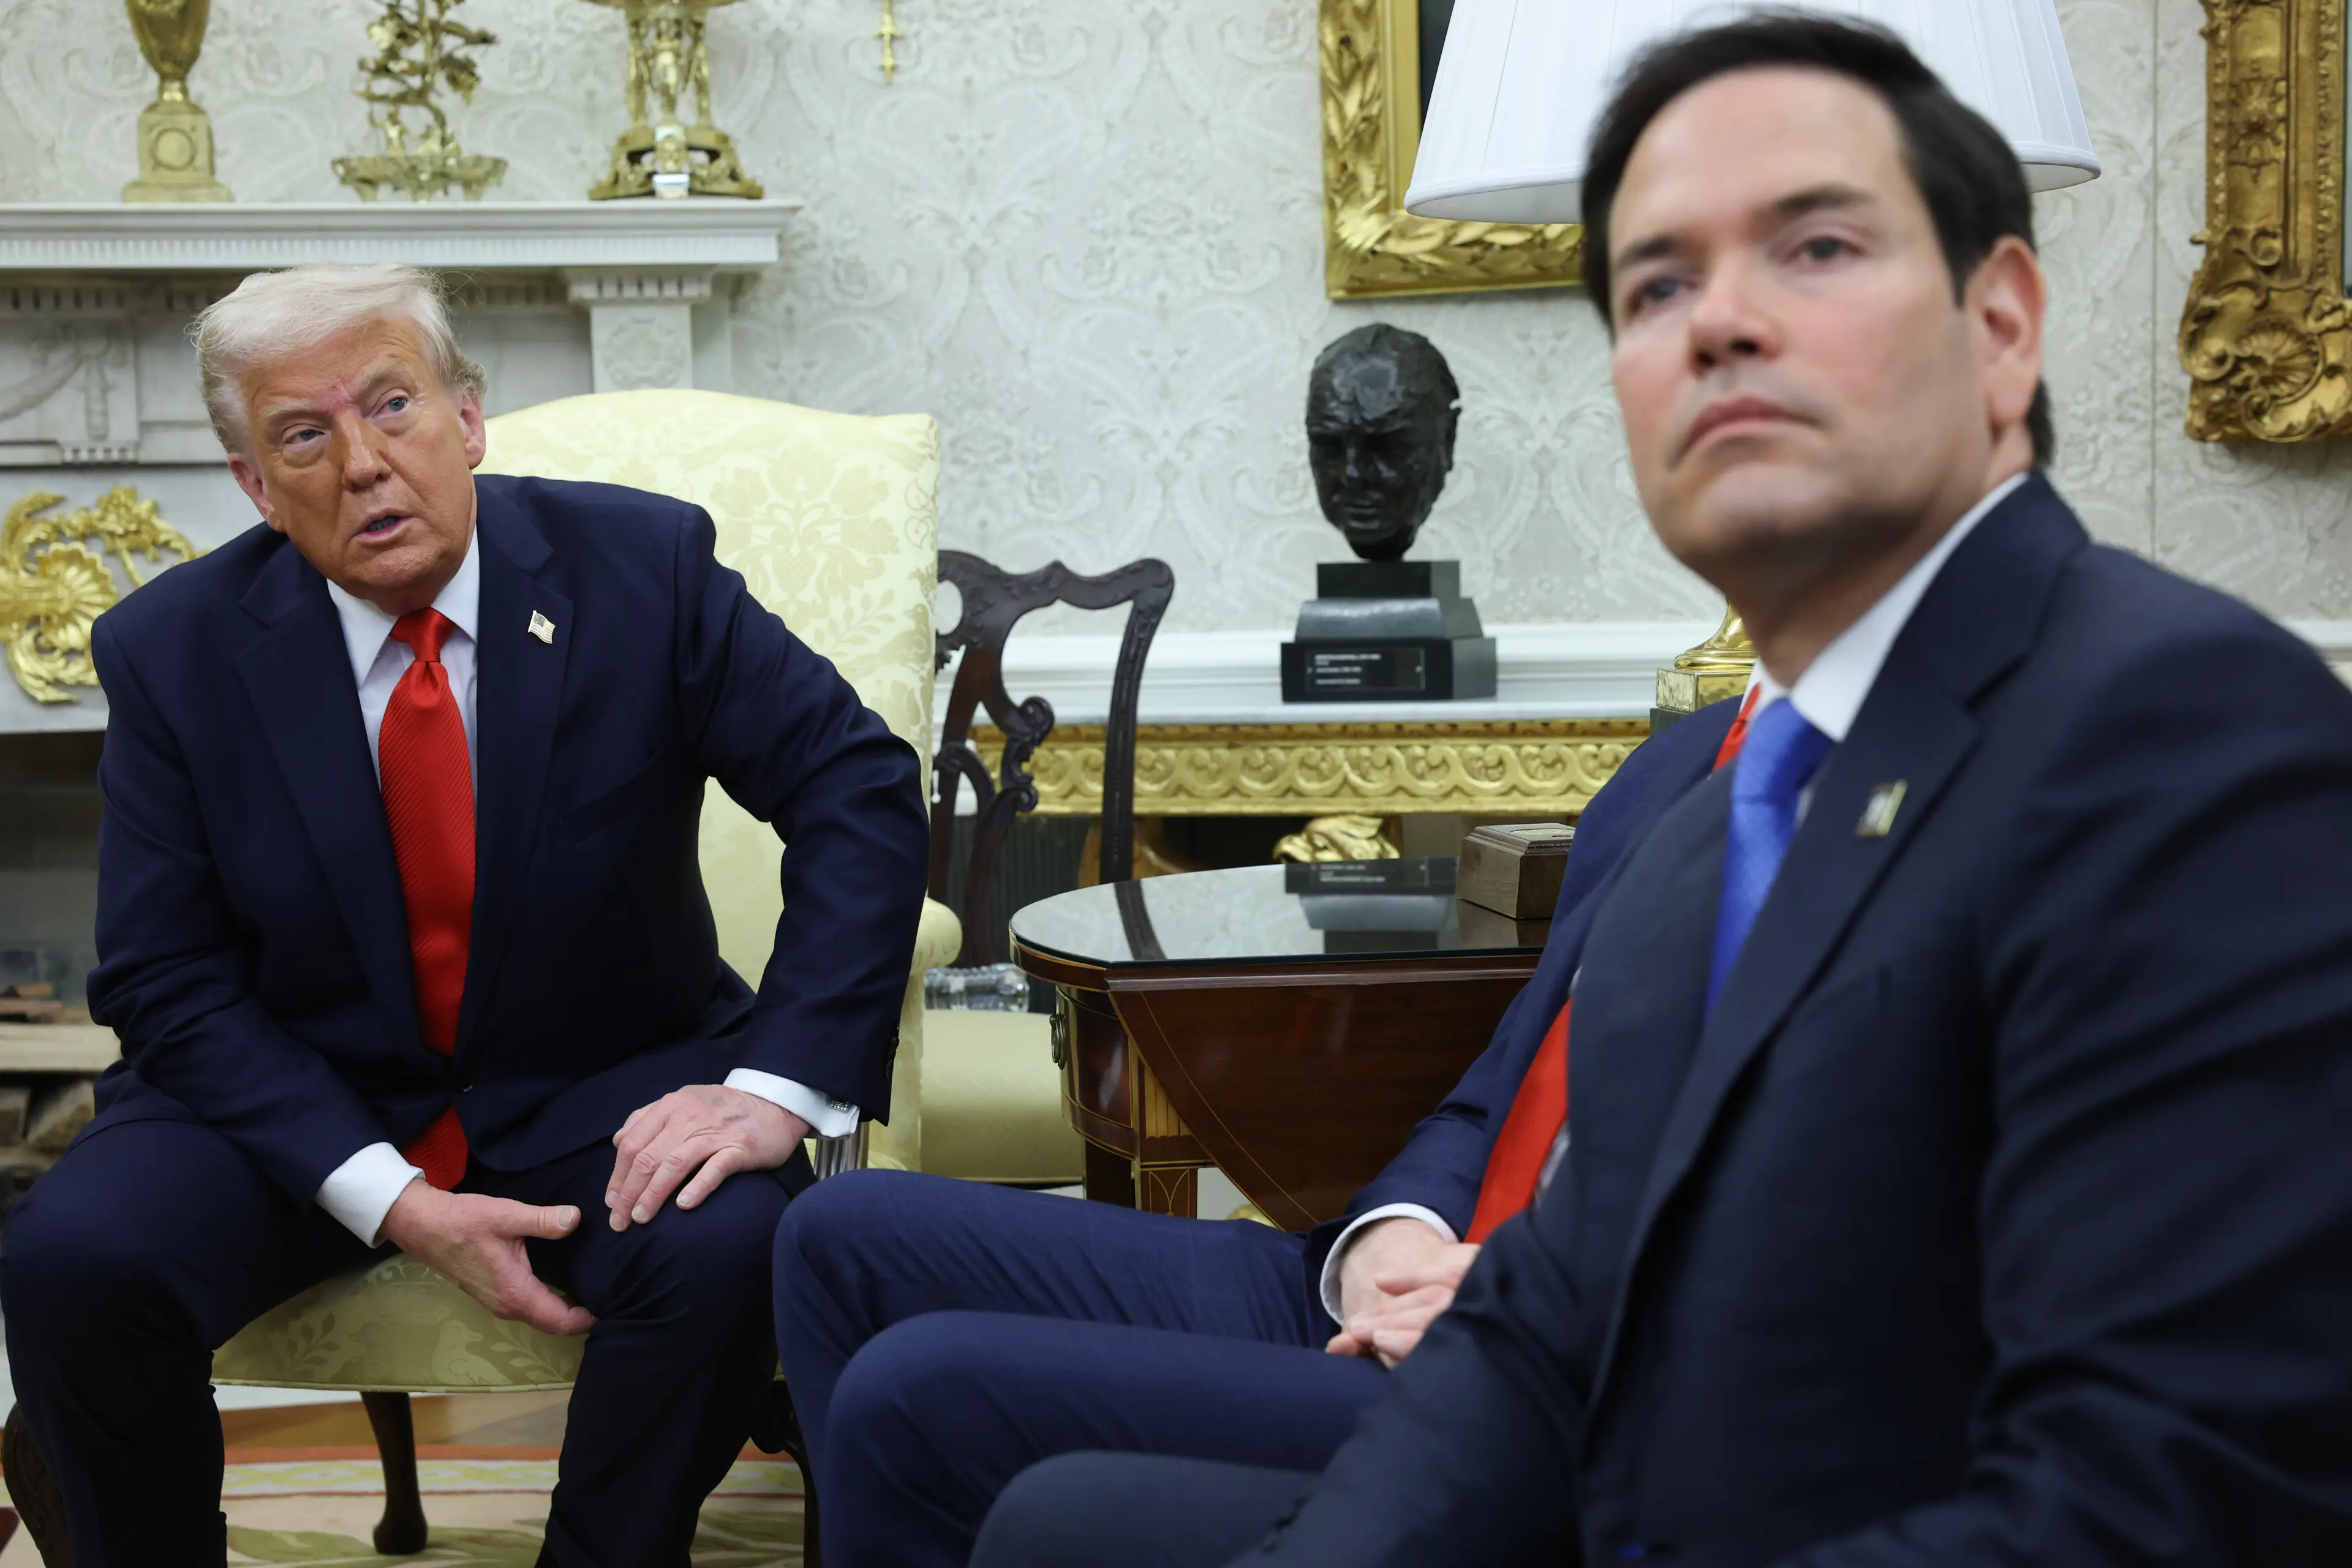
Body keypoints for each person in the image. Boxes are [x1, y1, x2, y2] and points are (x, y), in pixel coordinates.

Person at [970, 17, 2352, 1567]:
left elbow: (2168, 1491)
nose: (1721, 323)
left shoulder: (2183, 737)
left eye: (1816, 247)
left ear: (2004, 323)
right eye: (1657, 287)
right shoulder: (1706, 838)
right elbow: (1534, 1347)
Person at [0, 263, 930, 1567]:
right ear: (256, 486)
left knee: (727, 1241)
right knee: (69, 1256)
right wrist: (391, 1197)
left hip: (598, 1080)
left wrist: (775, 1085)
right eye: (304, 436)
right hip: (297, 1097)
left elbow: (857, 786)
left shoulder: (643, 568)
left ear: (470, 416)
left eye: (394, 405)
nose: (363, 464)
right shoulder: (172, 649)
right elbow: (165, 979)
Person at [771, 679, 1750, 1566]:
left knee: (918, 1394)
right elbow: (1499, 1090)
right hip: (1406, 1281)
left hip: (1543, 1365)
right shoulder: (1681, 761)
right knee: (839, 1234)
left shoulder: (1836, 827)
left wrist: (1531, 1293)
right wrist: (1392, 1231)